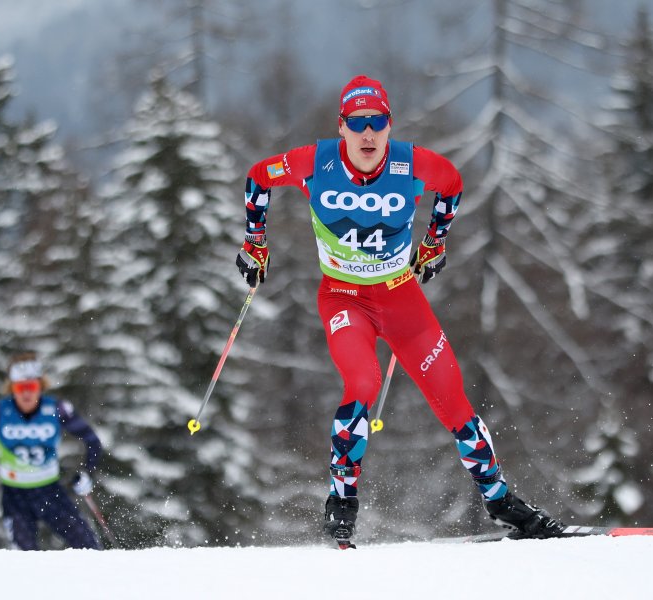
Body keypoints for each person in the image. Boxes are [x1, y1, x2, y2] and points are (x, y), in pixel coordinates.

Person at [236, 75, 566, 546]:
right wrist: (255, 242)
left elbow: (452, 183)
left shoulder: (412, 165)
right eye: (358, 124)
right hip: (344, 297)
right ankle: (342, 502)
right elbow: (258, 177)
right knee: (362, 383)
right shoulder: (316, 162)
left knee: (455, 403)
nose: (368, 135)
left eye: (378, 123)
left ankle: (501, 502)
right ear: (342, 126)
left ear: (389, 126)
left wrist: (434, 242)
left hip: (400, 298)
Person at [0, 352, 103, 550]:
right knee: (24, 560)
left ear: (40, 386)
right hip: (15, 497)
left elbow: (92, 440)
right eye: (20, 388)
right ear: (11, 388)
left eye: (31, 387)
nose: (26, 394)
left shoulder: (57, 409)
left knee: (89, 548)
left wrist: (87, 473)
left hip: (50, 492)